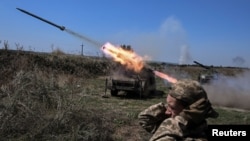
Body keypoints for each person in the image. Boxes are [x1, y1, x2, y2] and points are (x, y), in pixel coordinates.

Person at [138, 79, 219, 141]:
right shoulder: (180, 130)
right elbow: (144, 119)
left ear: (191, 111)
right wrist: (168, 106)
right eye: (167, 106)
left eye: (172, 108)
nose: (166, 111)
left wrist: (176, 122)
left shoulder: (197, 137)